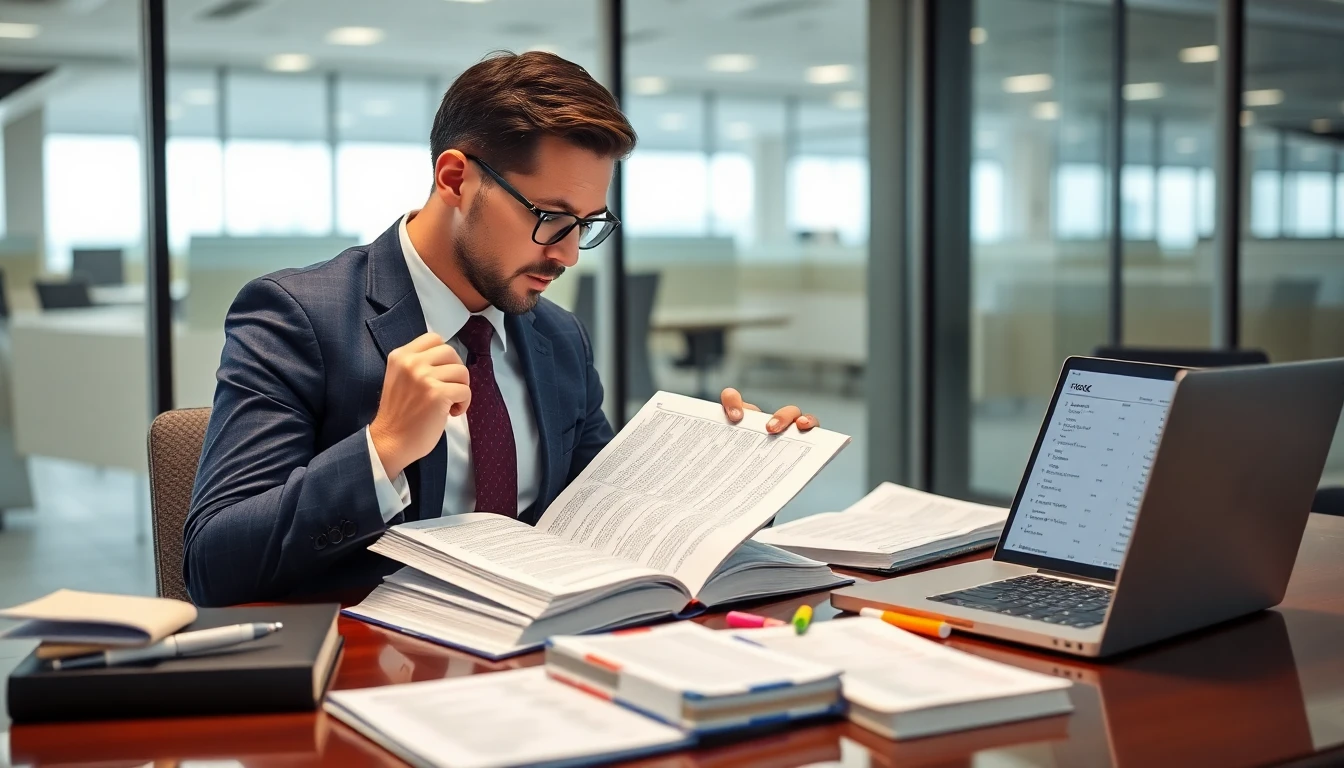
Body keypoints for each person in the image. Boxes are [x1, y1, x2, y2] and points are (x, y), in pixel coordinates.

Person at [183, 51, 820, 607]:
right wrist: (382, 450)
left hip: (537, 669)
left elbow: (601, 521)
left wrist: (730, 481)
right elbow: (213, 565)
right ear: (455, 178)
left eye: (589, 224)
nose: (569, 255)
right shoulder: (298, 315)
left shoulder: (557, 337)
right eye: (550, 218)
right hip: (373, 676)